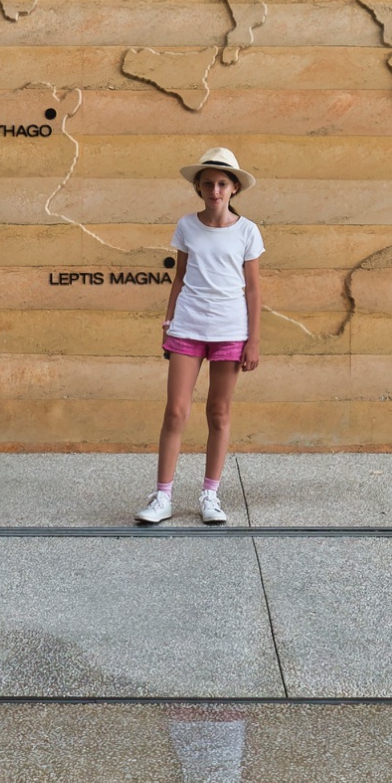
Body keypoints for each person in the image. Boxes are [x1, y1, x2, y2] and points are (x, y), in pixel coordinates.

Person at [137, 147, 262, 526]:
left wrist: (253, 340)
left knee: (218, 413)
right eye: (208, 183)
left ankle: (210, 494)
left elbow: (253, 290)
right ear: (199, 187)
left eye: (223, 183)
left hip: (229, 330)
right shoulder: (186, 226)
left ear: (234, 188)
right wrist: (168, 320)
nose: (215, 190)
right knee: (176, 411)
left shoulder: (248, 231)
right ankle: (163, 496)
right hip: (188, 327)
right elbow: (179, 278)